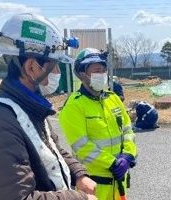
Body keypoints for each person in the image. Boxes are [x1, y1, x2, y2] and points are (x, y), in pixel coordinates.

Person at [0, 13, 98, 200]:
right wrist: (79, 198)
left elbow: (51, 150)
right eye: (54, 65)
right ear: (32, 67)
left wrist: (78, 174)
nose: (57, 73)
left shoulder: (29, 109)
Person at [59, 48, 137, 200]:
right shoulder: (74, 105)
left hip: (118, 183)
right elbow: (81, 147)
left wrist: (128, 155)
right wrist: (113, 163)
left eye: (103, 70)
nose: (101, 74)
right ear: (82, 74)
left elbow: (128, 130)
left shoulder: (113, 98)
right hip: (94, 187)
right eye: (96, 71)